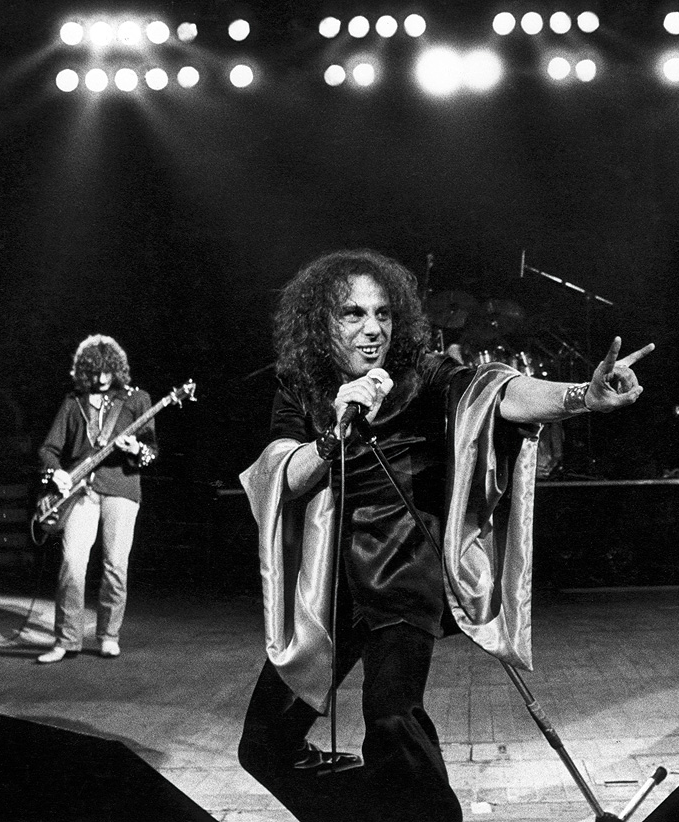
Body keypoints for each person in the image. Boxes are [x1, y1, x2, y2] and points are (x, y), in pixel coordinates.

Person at [236, 249, 652, 822]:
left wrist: (583, 395)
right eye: (353, 314)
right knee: (264, 746)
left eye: (383, 313)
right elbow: (281, 473)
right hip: (327, 579)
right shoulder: (301, 385)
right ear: (320, 323)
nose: (373, 329)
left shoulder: (421, 375)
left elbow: (499, 392)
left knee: (392, 720)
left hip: (402, 564)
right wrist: (334, 432)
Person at [35, 334, 158, 663]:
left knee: (115, 564)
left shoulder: (137, 400)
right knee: (72, 562)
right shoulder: (73, 402)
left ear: (117, 369)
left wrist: (136, 449)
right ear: (84, 371)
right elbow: (48, 450)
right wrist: (56, 472)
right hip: (81, 490)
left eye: (107, 371)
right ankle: (66, 639)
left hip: (122, 488)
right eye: (94, 372)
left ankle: (109, 635)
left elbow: (151, 452)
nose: (101, 378)